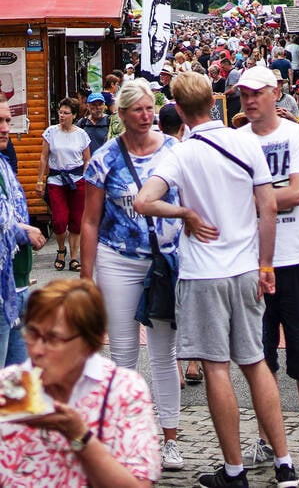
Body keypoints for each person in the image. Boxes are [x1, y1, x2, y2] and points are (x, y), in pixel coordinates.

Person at [133, 72, 299, 488]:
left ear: (178, 108)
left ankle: (234, 470)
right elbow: (267, 209)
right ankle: (284, 463)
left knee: (216, 368)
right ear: (215, 100)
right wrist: (266, 264)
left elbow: (143, 201)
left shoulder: (181, 153)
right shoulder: (246, 141)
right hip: (246, 268)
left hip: (203, 272)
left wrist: (185, 213)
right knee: (256, 363)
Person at [79, 78, 185, 472]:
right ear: (121, 115)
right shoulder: (104, 158)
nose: (145, 116)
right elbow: (90, 221)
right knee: (122, 352)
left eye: (149, 109)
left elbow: (190, 202)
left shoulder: (174, 150)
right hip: (117, 259)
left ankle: (170, 437)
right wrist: (86, 275)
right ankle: (129, 437)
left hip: (162, 263)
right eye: (137, 110)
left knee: (163, 352)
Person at [235, 67, 299, 478]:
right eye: (243, 94)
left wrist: (254, 198)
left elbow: (296, 192)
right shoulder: (235, 141)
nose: (249, 100)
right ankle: (267, 438)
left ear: (276, 93)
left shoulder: (297, 136)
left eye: (257, 93)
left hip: (297, 257)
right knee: (259, 356)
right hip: (250, 261)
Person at [0, 279, 162, 485]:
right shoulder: (10, 384)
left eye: (53, 339)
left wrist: (78, 435)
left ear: (87, 342)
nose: (37, 350)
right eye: (33, 334)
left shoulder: (123, 390)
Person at [0, 99, 45, 367]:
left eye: (6, 120)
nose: (5, 128)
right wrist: (20, 230)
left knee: (18, 386)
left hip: (18, 285)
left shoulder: (4, 163)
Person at [37, 97, 90, 272]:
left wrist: (86, 179)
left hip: (76, 180)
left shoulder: (81, 134)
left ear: (74, 115)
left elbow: (87, 160)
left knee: (76, 221)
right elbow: (44, 156)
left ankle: (74, 257)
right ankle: (61, 250)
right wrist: (39, 181)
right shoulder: (51, 132)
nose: (62, 115)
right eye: (60, 112)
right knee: (59, 220)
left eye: (66, 113)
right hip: (56, 180)